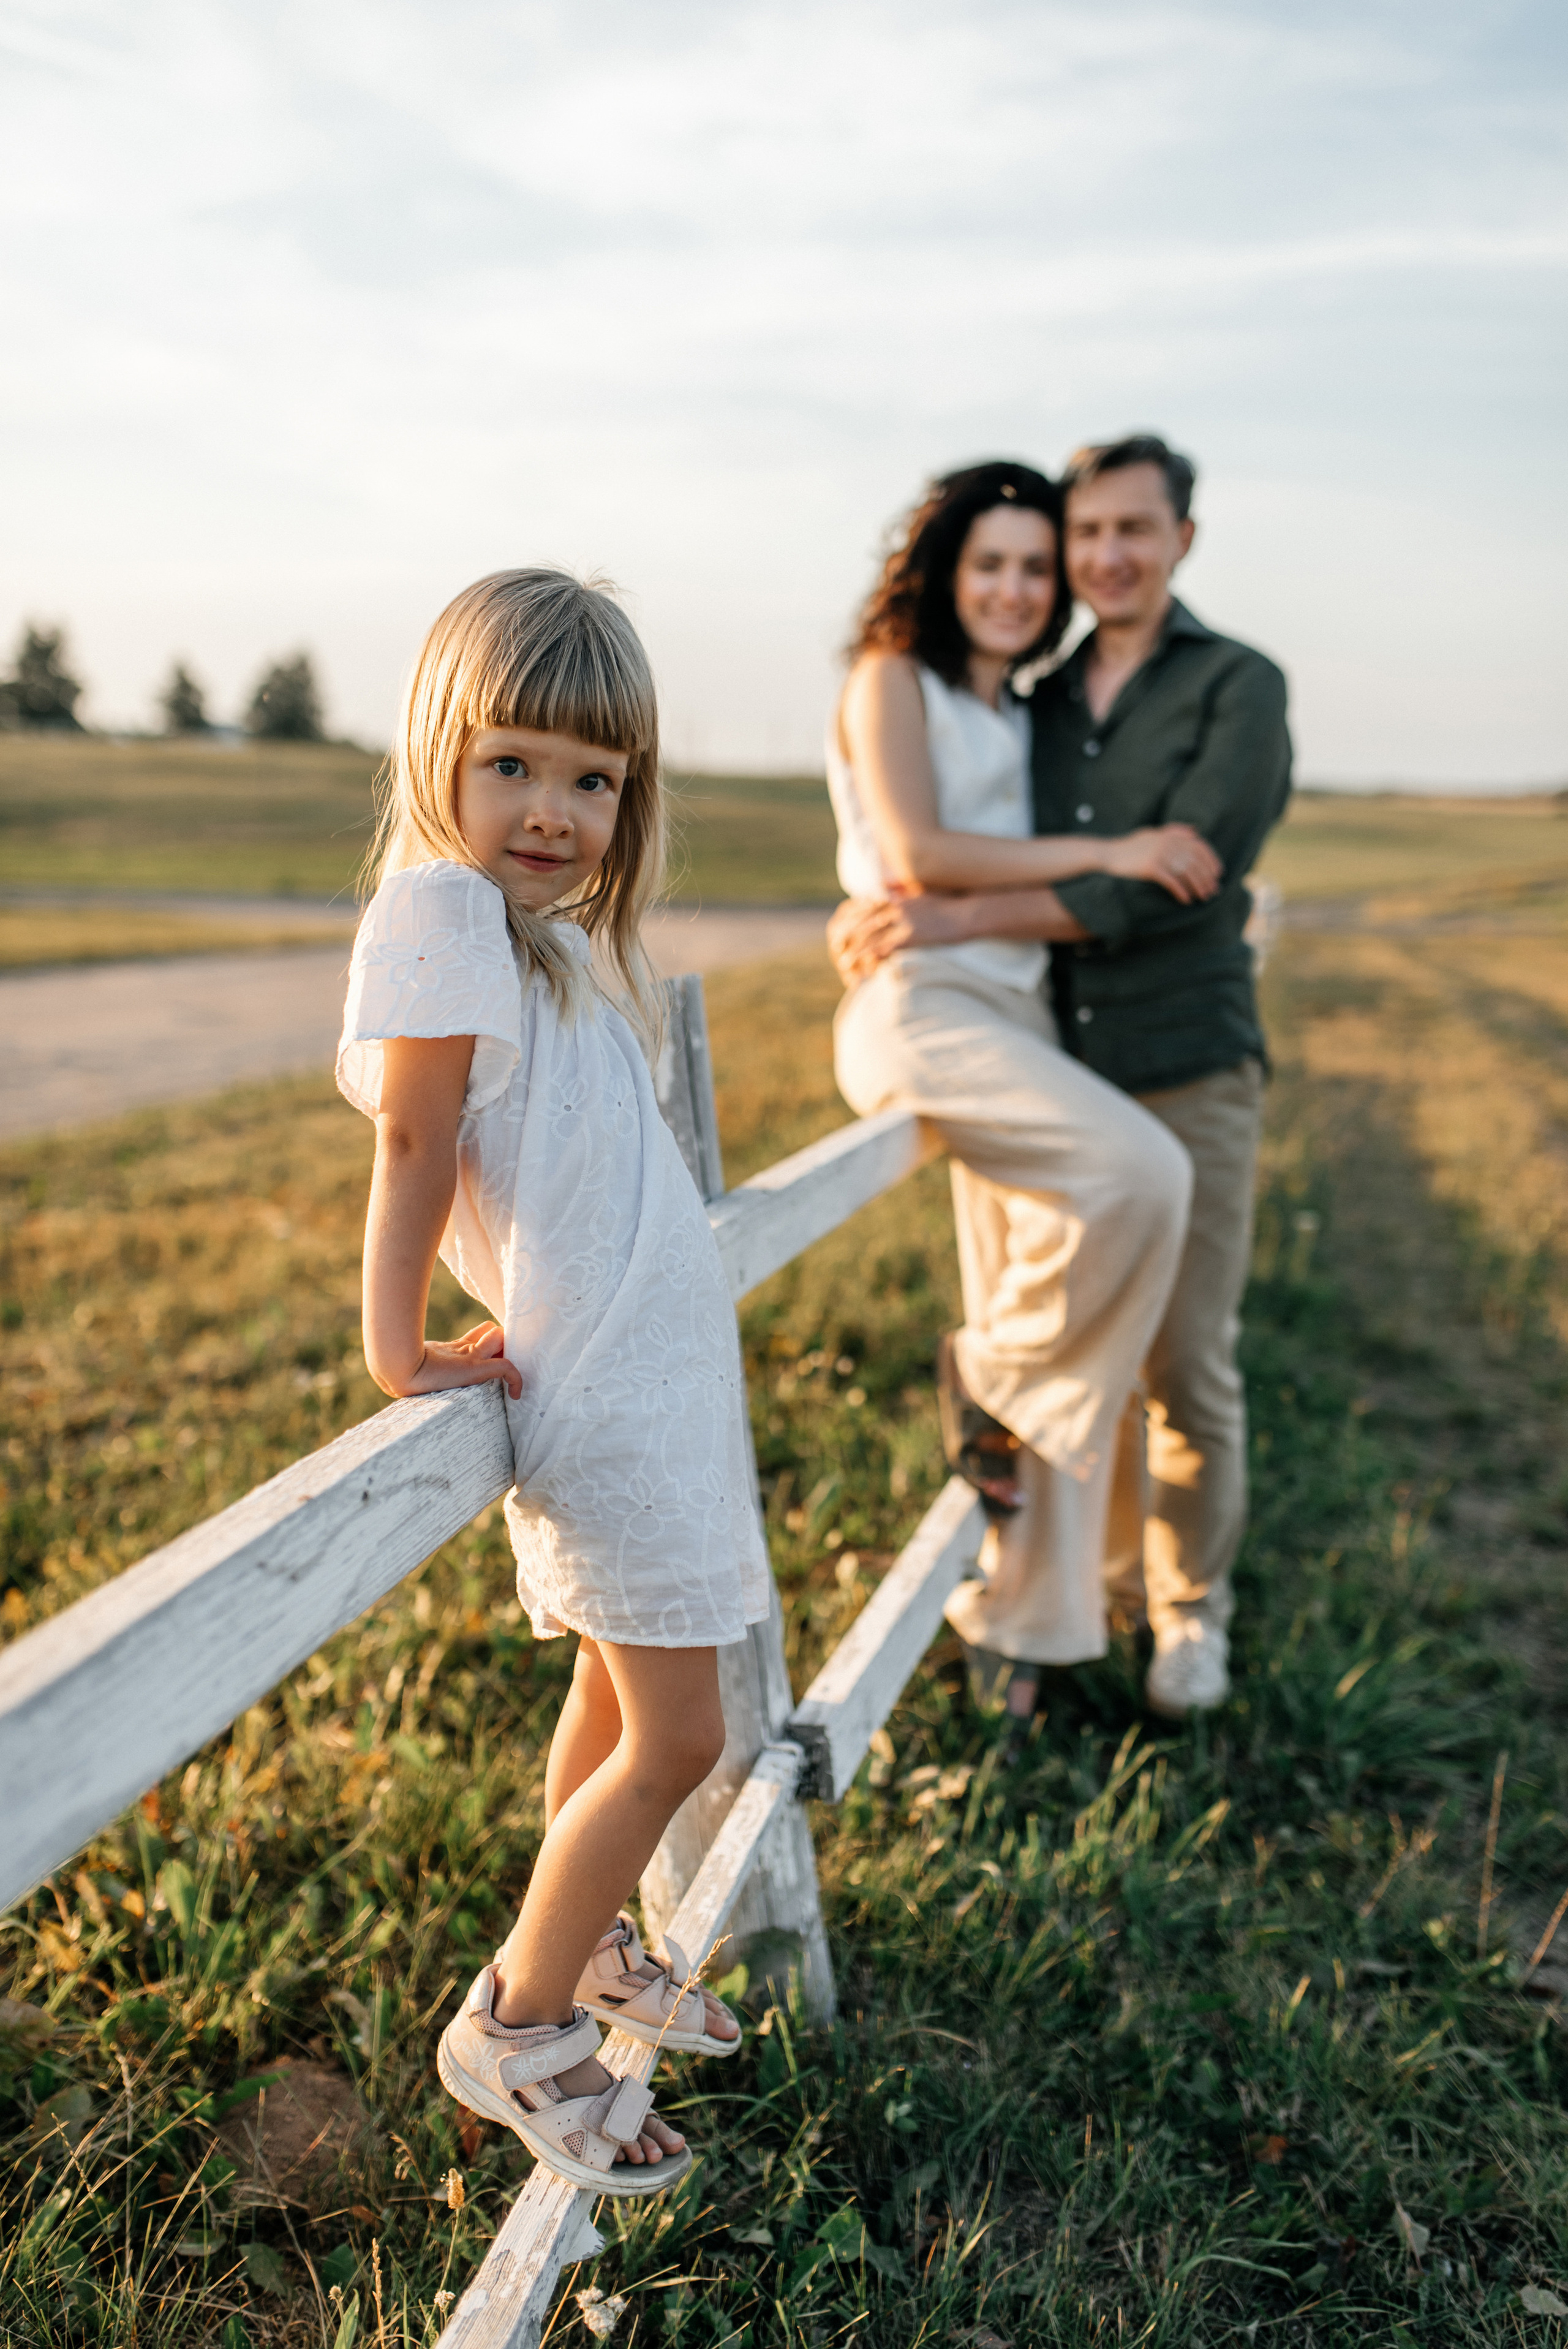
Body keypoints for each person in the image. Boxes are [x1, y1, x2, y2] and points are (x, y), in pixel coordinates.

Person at [336, 569, 769, 2196]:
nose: (555, 808)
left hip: (658, 1384)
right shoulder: (444, 912)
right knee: (678, 1735)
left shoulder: (557, 948)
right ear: (440, 747)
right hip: (606, 1404)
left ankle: (578, 1949)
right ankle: (515, 2024)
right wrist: (394, 1345)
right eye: (514, 761)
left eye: (594, 779)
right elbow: (410, 1135)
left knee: (612, 1706)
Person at [831, 436, 1292, 1715]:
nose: (1091, 563)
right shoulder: (1027, 700)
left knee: (1183, 1360)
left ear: (1179, 539)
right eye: (1070, 541)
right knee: (1083, 1332)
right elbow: (919, 845)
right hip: (1045, 1041)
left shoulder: (1235, 686)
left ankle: (1184, 1610)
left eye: (1121, 534)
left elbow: (1168, 882)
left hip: (1179, 1049)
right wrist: (903, 910)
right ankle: (1046, 1610)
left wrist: (952, 913)